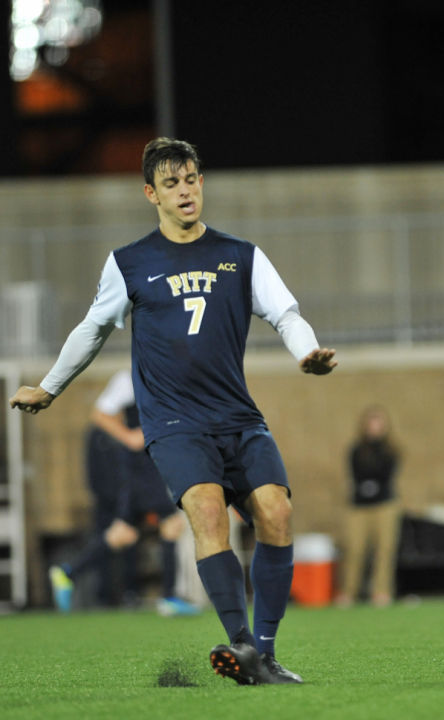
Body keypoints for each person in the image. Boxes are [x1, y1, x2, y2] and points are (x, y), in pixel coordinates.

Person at [10, 137, 337, 686]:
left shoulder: (241, 254)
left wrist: (307, 351)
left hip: (237, 416)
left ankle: (266, 651)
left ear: (201, 183)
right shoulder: (130, 263)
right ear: (150, 194)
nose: (184, 191)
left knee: (277, 515)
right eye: (171, 184)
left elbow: (286, 313)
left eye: (191, 180)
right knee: (207, 513)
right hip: (174, 423)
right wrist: (49, 387)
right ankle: (240, 646)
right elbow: (91, 330)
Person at [49, 369, 200, 617]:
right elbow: (100, 415)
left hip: (150, 464)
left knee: (123, 533)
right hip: (141, 467)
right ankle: (170, 598)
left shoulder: (169, 372)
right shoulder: (129, 378)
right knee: (171, 524)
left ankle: (67, 574)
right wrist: (129, 437)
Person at [336, 405, 402, 608]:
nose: (375, 427)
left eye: (379, 423)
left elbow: (386, 475)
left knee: (384, 549)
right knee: (355, 548)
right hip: (359, 506)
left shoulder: (391, 451)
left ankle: (381, 592)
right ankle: (349, 592)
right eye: (371, 423)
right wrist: (365, 489)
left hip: (385, 504)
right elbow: (357, 475)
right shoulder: (356, 450)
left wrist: (376, 488)